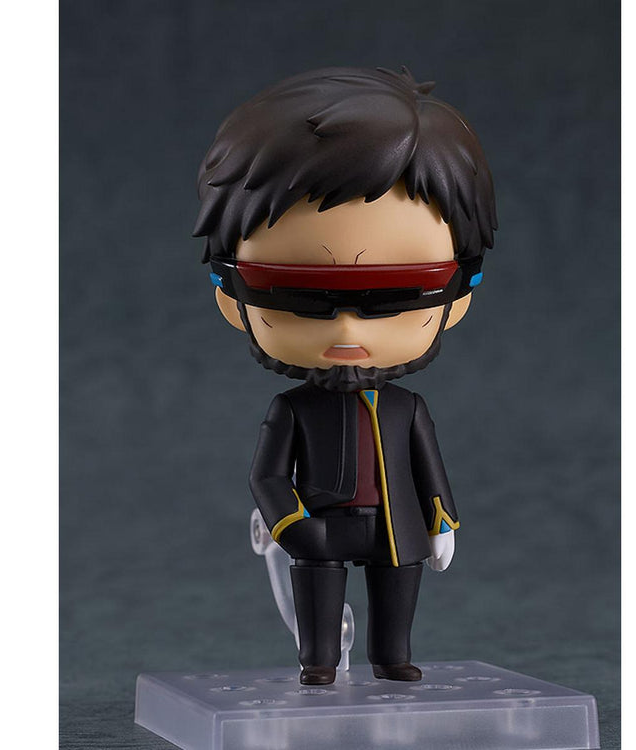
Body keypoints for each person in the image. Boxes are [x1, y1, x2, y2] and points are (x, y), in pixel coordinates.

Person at [193, 66, 497, 685]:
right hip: (318, 528)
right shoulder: (292, 409)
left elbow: (428, 466)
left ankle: (392, 657)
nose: (349, 327)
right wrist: (291, 526)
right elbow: (267, 474)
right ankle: (319, 662)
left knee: (396, 606)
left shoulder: (408, 407)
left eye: (399, 294)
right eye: (297, 295)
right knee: (318, 611)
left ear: (458, 298)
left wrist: (443, 522)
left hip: (397, 526)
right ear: (230, 298)